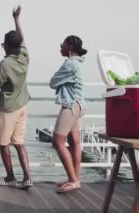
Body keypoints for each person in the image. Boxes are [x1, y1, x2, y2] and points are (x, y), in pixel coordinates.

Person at [0, 6, 33, 190]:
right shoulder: (24, 56)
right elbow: (21, 37)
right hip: (22, 105)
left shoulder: (5, 63)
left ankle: (10, 177)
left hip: (7, 109)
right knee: (19, 143)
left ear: (6, 46)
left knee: (3, 144)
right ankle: (27, 178)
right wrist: (16, 19)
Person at [49, 35, 87, 193]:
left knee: (57, 141)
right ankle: (75, 178)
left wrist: (57, 81)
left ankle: (73, 180)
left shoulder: (70, 64)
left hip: (70, 105)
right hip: (79, 105)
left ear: (70, 46)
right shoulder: (78, 63)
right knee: (74, 142)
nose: (60, 47)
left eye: (62, 45)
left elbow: (53, 82)